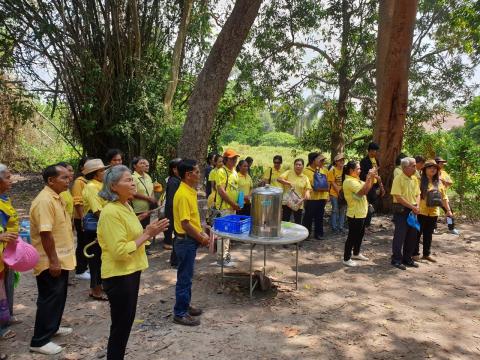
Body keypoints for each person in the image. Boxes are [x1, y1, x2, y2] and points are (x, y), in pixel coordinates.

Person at [96, 165, 169, 359]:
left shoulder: (125, 205)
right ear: (113, 187)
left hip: (130, 271)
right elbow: (120, 251)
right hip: (119, 275)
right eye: (128, 180)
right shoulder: (111, 212)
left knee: (125, 323)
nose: (133, 182)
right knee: (121, 325)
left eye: (132, 179)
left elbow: (130, 235)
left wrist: (146, 228)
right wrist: (147, 234)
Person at [29, 165, 76, 355]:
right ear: (51, 181)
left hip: (62, 257)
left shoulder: (58, 197)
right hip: (50, 260)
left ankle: (53, 327)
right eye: (64, 178)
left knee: (58, 296)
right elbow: (46, 233)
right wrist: (54, 261)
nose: (69, 180)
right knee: (49, 298)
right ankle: (39, 340)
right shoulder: (44, 201)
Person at [172, 159, 210, 326]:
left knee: (187, 276)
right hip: (185, 242)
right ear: (188, 175)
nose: (199, 174)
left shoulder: (189, 191)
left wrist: (202, 230)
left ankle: (185, 305)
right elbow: (185, 224)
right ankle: (180, 312)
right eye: (196, 171)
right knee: (184, 277)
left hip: (189, 241)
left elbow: (192, 220)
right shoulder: (182, 194)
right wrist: (201, 238)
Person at [413, 160, 452, 262]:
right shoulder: (419, 181)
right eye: (430, 167)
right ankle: (415, 254)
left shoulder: (439, 182)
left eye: (435, 167)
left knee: (428, 234)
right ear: (424, 169)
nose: (433, 169)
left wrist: (448, 210)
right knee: (417, 233)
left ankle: (426, 254)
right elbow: (415, 195)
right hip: (421, 211)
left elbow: (444, 198)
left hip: (434, 212)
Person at [82, 159, 109, 300]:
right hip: (95, 228)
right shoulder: (92, 187)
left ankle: (100, 286)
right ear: (95, 173)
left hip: (102, 226)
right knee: (95, 260)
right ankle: (96, 290)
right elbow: (98, 211)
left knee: (102, 258)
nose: (104, 172)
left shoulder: (101, 185)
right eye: (102, 170)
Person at [342, 161, 377, 267]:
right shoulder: (349, 181)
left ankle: (356, 253)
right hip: (355, 214)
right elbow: (363, 192)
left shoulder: (355, 180)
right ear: (351, 170)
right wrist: (368, 178)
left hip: (362, 212)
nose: (360, 170)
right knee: (352, 236)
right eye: (358, 168)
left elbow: (368, 188)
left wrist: (370, 178)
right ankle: (346, 258)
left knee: (360, 235)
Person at [0, 164, 20, 346]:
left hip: (6, 252)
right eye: (7, 177)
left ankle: (7, 317)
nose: (11, 180)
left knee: (7, 285)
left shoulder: (4, 199)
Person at [390, 157, 421, 270]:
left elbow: (418, 194)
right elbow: (398, 197)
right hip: (402, 211)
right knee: (400, 236)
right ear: (405, 167)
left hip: (413, 210)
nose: (415, 168)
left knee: (412, 235)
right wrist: (412, 207)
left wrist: (416, 206)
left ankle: (407, 258)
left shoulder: (414, 179)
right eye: (413, 166)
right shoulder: (398, 179)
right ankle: (396, 260)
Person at [215, 149, 240, 267]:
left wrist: (238, 202)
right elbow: (221, 191)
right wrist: (232, 203)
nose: (234, 160)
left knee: (229, 233)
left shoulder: (235, 172)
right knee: (222, 233)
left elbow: (235, 189)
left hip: (232, 207)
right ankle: (221, 258)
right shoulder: (221, 171)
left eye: (235, 158)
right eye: (232, 158)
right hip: (224, 208)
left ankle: (226, 256)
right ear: (226, 159)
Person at [71, 158, 90, 280]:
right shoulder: (79, 182)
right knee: (83, 242)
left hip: (88, 218)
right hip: (82, 218)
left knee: (88, 242)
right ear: (82, 168)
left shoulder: (89, 181)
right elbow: (77, 202)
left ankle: (85, 266)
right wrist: (83, 219)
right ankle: (80, 269)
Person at [303, 152, 329, 239]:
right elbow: (307, 184)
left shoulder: (323, 170)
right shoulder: (306, 171)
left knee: (319, 216)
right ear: (313, 160)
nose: (322, 162)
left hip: (321, 197)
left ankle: (319, 234)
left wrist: (326, 196)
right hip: (311, 198)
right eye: (320, 160)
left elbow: (327, 184)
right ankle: (306, 234)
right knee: (308, 217)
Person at [277, 159, 311, 224]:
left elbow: (308, 188)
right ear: (294, 165)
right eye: (296, 164)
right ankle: (284, 234)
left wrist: (307, 193)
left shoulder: (305, 177)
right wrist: (288, 183)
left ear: (303, 166)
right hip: (287, 202)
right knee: (285, 220)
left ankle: (297, 234)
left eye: (299, 165)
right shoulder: (289, 172)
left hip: (298, 203)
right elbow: (279, 179)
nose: (298, 166)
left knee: (297, 222)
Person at [360, 142, 385, 229]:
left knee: (373, 203)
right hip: (368, 185)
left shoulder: (376, 160)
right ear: (370, 151)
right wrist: (371, 176)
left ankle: (368, 223)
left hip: (375, 185)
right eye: (375, 151)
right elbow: (362, 175)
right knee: (367, 204)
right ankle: (365, 224)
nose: (376, 153)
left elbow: (378, 173)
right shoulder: (364, 161)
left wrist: (380, 185)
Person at [164, 158, 182, 266]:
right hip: (173, 214)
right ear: (174, 169)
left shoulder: (177, 180)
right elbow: (171, 202)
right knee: (178, 236)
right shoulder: (173, 182)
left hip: (175, 213)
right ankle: (175, 261)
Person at [435, 157, 460, 235]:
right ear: (436, 163)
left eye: (443, 163)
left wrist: (443, 181)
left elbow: (450, 182)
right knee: (434, 213)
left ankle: (451, 228)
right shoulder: (431, 172)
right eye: (441, 163)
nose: (442, 164)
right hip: (433, 196)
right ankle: (433, 228)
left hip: (443, 197)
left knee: (449, 211)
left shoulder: (444, 173)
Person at [131, 157, 157, 230]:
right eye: (141, 163)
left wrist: (153, 199)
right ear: (135, 166)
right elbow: (133, 193)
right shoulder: (133, 177)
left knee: (146, 228)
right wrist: (148, 198)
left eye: (144, 163)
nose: (144, 165)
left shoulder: (148, 176)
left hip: (148, 208)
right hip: (138, 210)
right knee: (138, 230)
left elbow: (151, 190)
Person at [328, 153, 346, 234]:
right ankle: (334, 227)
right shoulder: (332, 170)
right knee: (335, 210)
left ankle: (341, 226)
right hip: (334, 193)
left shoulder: (345, 170)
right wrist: (339, 193)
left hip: (343, 193)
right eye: (340, 160)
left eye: (343, 160)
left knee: (342, 210)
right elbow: (332, 183)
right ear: (336, 162)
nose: (342, 162)